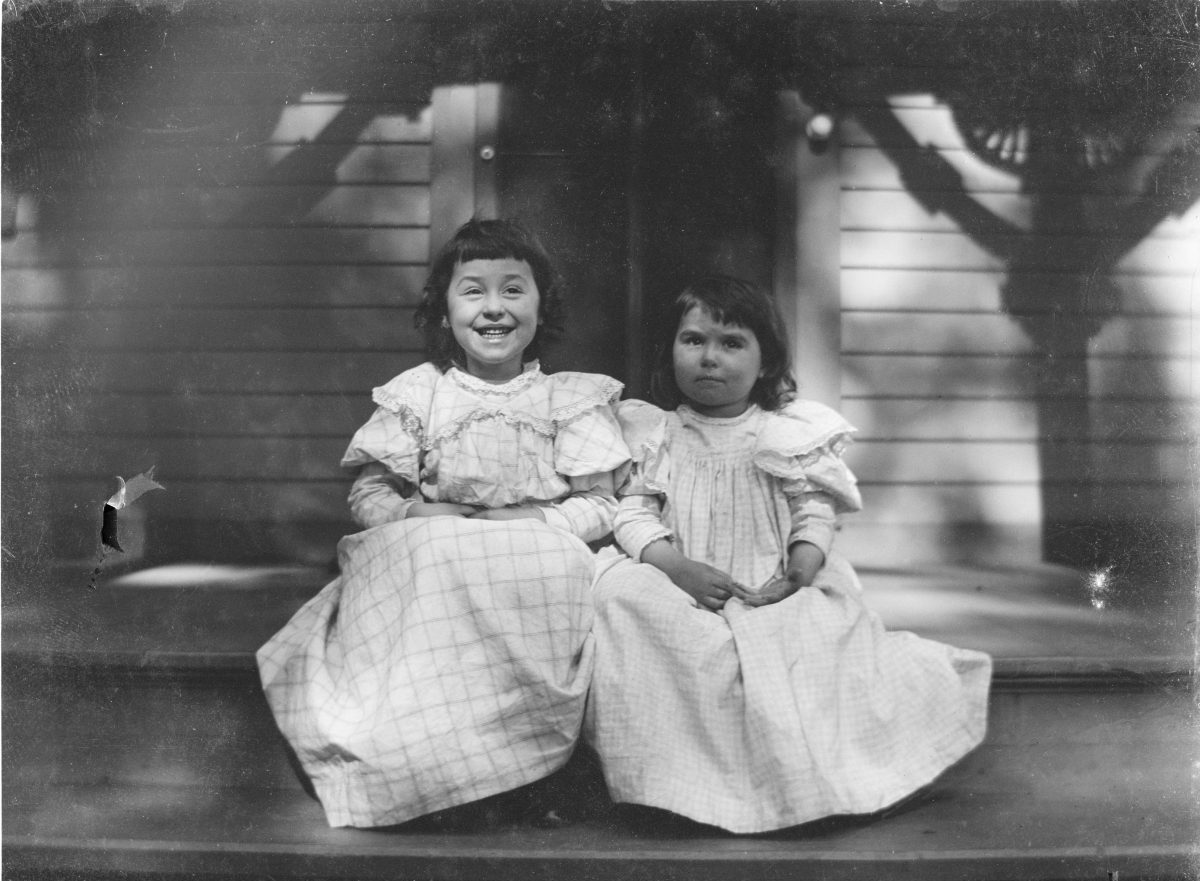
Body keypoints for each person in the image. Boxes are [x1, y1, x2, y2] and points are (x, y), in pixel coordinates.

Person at [585, 276, 992, 834]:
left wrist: (799, 569)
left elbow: (815, 514)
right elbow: (632, 515)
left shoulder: (786, 433)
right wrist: (677, 569)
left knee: (813, 633)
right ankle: (677, 790)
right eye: (694, 340)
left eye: (732, 344)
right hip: (683, 582)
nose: (710, 358)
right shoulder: (658, 433)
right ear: (670, 351)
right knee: (621, 597)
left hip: (770, 583)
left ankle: (814, 784)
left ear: (765, 362)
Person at [258, 219, 629, 829]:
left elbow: (602, 502)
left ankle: (517, 769)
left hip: (534, 549)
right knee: (425, 556)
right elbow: (371, 493)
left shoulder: (568, 398)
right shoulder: (421, 393)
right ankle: (431, 769)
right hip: (438, 547)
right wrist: (415, 511)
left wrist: (536, 518)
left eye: (514, 290)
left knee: (554, 566)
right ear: (445, 309)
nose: (494, 308)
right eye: (473, 291)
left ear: (542, 306)